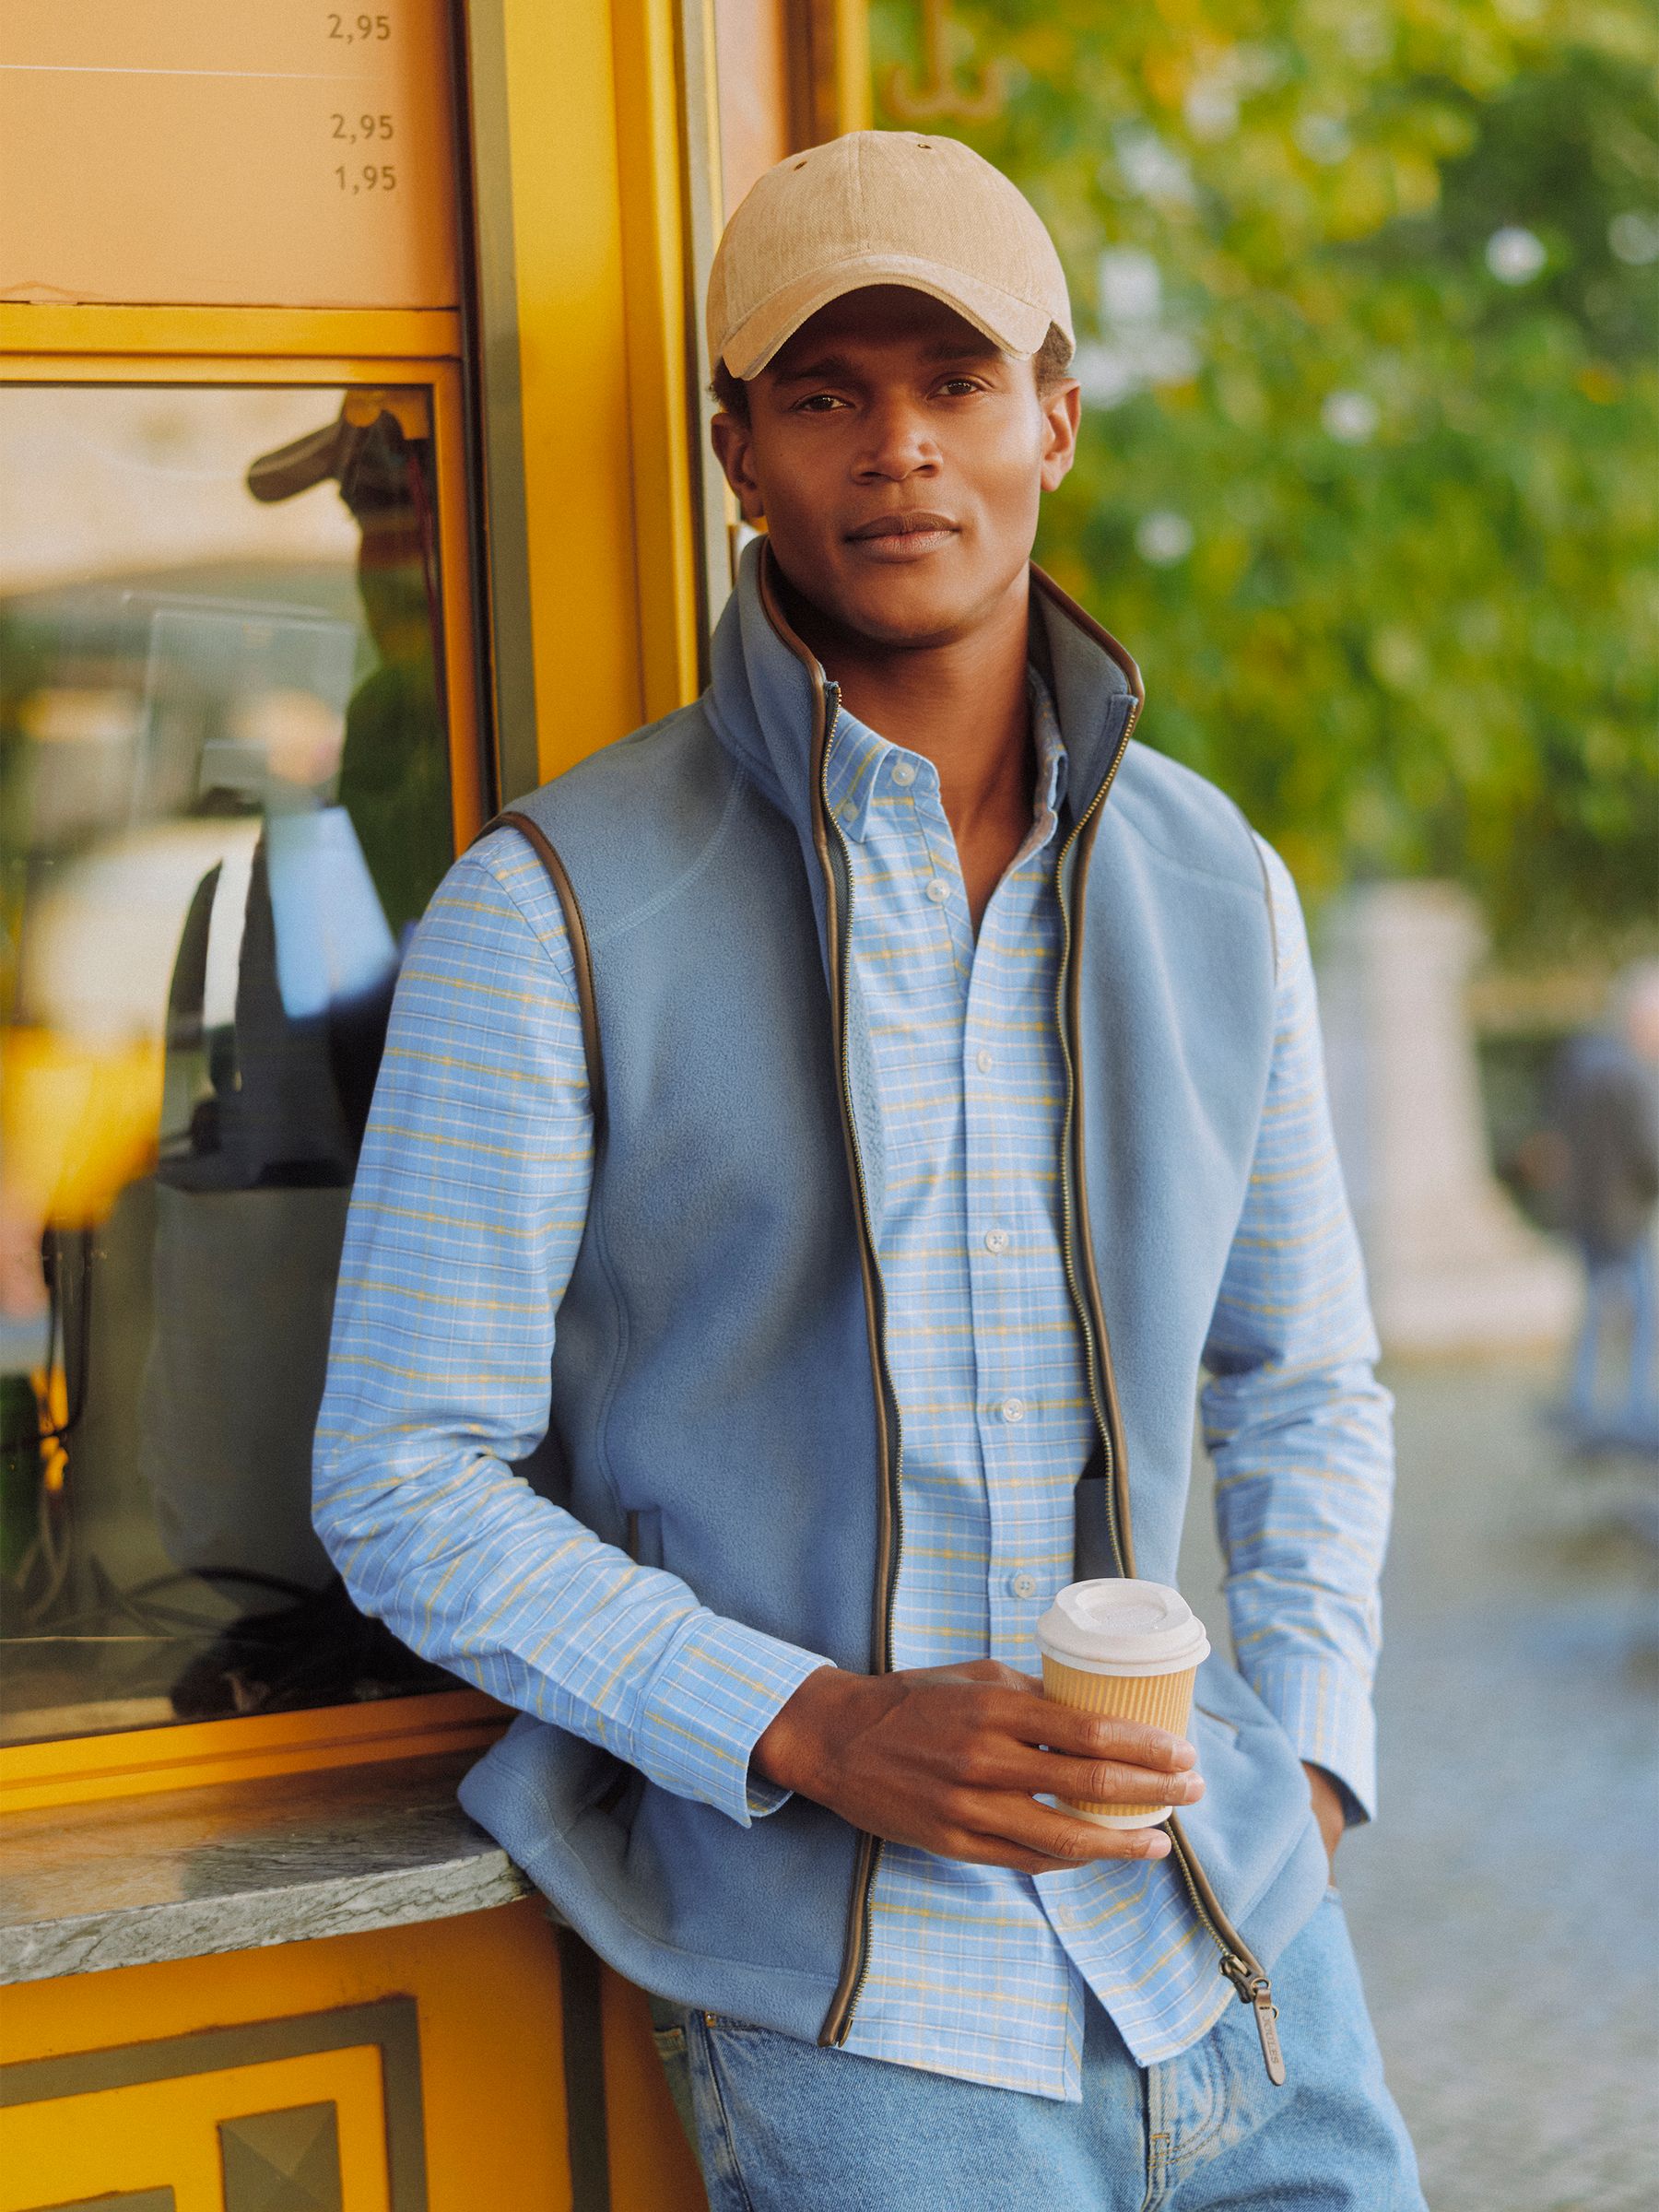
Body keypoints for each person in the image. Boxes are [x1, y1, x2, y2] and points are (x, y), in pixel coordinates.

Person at [314, 131, 1423, 2207]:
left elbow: (1306, 1382)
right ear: (739, 453)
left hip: (1245, 1973)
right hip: (868, 2021)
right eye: (826, 393)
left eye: (954, 382)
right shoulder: (548, 906)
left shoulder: (1213, 882)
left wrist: (1315, 1766)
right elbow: (401, 1475)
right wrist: (815, 1724)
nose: (897, 448)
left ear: (1057, 418)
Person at [1548, 963, 1659, 1453]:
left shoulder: (1581, 1062)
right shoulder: (1632, 1074)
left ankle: (1582, 1401)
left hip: (1585, 1208)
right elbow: (1647, 1150)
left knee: (1595, 1308)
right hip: (1624, 1212)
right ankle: (1635, 1409)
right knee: (1641, 1316)